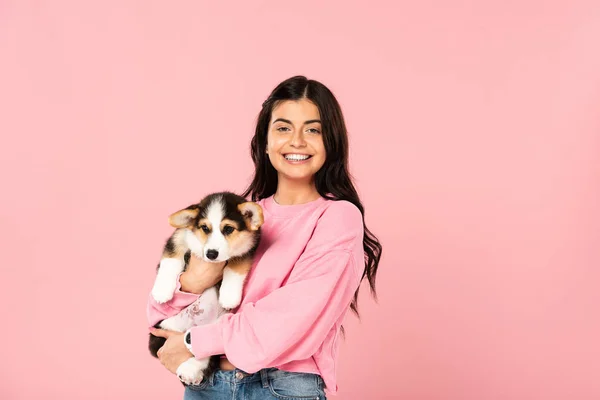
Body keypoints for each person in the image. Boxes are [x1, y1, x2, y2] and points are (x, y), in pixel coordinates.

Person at [147, 75, 382, 399]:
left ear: (331, 140)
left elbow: (288, 321)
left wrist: (192, 341)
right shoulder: (236, 219)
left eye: (312, 129)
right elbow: (159, 316)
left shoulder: (336, 218)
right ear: (265, 140)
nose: (297, 141)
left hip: (280, 386)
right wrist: (193, 282)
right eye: (284, 128)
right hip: (206, 384)